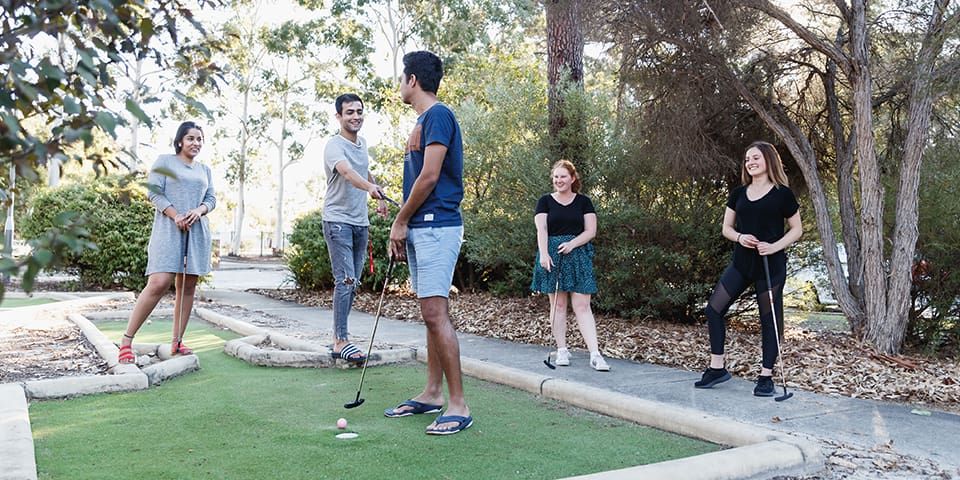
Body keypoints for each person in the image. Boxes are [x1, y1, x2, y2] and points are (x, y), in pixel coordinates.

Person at [384, 50, 472, 435]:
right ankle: (433, 392)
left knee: (436, 314)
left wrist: (399, 221)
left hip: (437, 225)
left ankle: (458, 404)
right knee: (429, 314)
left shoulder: (438, 115)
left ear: (413, 80)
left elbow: (430, 176)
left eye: (402, 78)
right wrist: (406, 222)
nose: (400, 85)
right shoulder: (423, 120)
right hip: (423, 226)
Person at [694, 141, 802, 396]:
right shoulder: (739, 194)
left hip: (770, 265)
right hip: (741, 263)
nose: (750, 162)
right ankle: (717, 368)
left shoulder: (782, 194)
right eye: (747, 159)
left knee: (769, 321)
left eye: (755, 157)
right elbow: (727, 229)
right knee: (713, 310)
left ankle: (766, 376)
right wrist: (740, 238)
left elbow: (797, 230)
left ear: (768, 160)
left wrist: (774, 246)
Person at [118, 121, 216, 363]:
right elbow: (153, 192)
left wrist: (199, 210)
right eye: (191, 138)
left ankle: (177, 342)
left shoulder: (205, 169)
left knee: (189, 286)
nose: (196, 143)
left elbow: (212, 198)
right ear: (180, 140)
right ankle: (126, 342)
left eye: (200, 139)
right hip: (168, 228)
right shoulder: (165, 162)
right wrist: (176, 215)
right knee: (159, 283)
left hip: (197, 231)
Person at [322, 93, 388, 364]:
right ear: (339, 116)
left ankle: (341, 337)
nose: (355, 116)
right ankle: (340, 340)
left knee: (354, 282)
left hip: (360, 222)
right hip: (337, 220)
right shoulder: (333, 146)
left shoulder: (362, 144)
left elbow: (363, 170)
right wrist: (370, 187)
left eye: (359, 111)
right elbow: (348, 173)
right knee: (345, 280)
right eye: (349, 112)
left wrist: (378, 193)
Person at [530, 160, 610, 372]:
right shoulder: (544, 201)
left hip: (578, 255)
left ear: (573, 178)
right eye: (556, 177)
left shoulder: (584, 202)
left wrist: (572, 244)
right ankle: (562, 349)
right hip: (553, 256)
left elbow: (590, 231)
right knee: (558, 305)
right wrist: (544, 254)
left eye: (563, 176)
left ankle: (595, 354)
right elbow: (542, 229)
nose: (559, 180)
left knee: (583, 306)